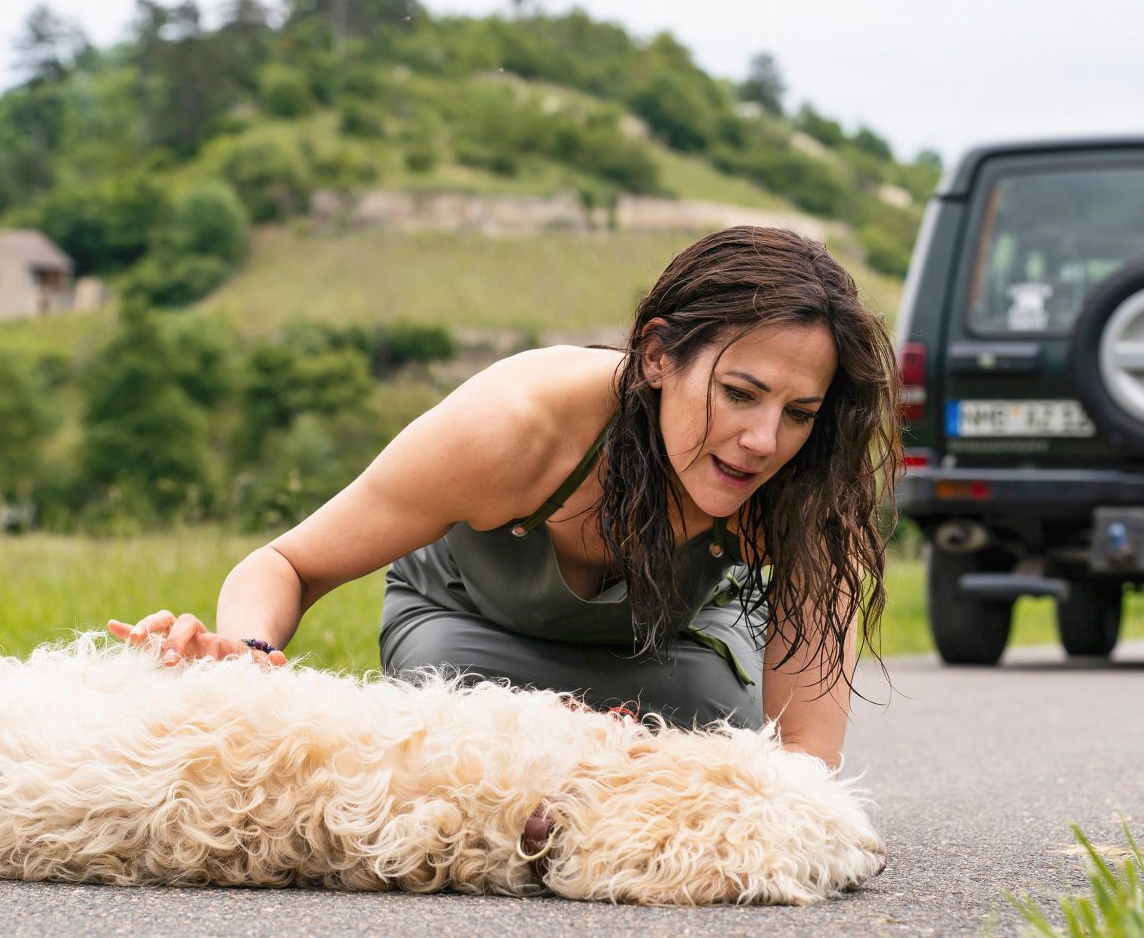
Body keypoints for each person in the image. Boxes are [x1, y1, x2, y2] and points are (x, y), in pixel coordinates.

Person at [109, 226, 901, 769]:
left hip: (671, 660)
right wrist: (244, 662)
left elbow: (805, 766)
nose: (764, 441)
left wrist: (787, 810)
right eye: (739, 393)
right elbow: (285, 563)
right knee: (452, 747)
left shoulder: (802, 483)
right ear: (658, 355)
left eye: (799, 413)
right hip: (470, 639)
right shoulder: (515, 425)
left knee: (721, 752)